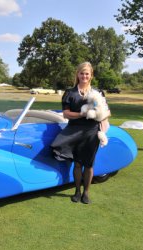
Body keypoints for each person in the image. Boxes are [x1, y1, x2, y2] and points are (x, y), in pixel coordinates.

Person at [51, 62, 107, 204]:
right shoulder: (70, 92)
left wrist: (99, 119)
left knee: (88, 165)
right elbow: (66, 114)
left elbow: (107, 112)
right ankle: (77, 191)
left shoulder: (98, 93)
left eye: (87, 73)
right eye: (82, 73)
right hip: (74, 131)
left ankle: (86, 193)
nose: (84, 76)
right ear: (77, 74)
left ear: (91, 75)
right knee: (77, 164)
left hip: (92, 132)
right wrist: (82, 114)